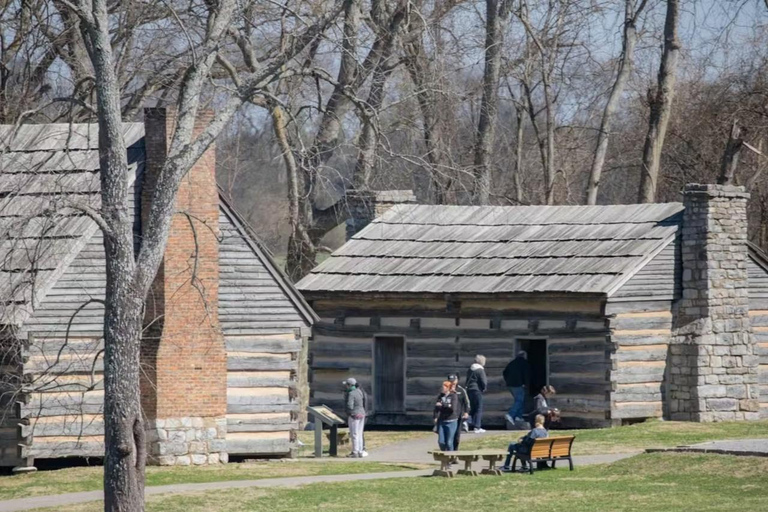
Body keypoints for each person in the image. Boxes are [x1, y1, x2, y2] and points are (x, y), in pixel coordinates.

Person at [343, 378, 368, 458]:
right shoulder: (359, 391)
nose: (346, 386)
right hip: (362, 413)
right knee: (360, 434)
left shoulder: (351, 393)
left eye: (347, 385)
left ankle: (355, 451)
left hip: (354, 415)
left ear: (350, 385)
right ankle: (360, 451)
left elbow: (350, 405)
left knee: (354, 434)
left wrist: (349, 413)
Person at [503, 350, 529, 423]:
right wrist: (525, 383)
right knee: (519, 400)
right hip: (518, 384)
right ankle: (510, 414)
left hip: (510, 385)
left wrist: (507, 380)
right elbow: (526, 374)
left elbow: (504, 372)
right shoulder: (524, 363)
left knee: (520, 400)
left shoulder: (512, 363)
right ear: (524, 356)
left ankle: (519, 417)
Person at [433, 381, 460, 452]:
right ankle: (444, 456)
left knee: (449, 442)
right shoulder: (440, 396)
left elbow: (452, 409)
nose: (442, 388)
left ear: (448, 388)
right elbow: (436, 407)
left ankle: (451, 457)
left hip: (452, 421)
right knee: (441, 441)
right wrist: (435, 416)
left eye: (444, 386)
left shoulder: (453, 396)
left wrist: (442, 405)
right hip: (442, 421)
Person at [465, 355, 488, 433]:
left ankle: (466, 421)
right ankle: (477, 427)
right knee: (478, 408)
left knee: (472, 407)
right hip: (477, 390)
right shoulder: (480, 370)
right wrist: (484, 388)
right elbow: (483, 381)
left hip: (469, 390)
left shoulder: (470, 369)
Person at [447, 374, 469, 449]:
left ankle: (455, 452)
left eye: (454, 381)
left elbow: (466, 402)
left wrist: (466, 412)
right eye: (450, 381)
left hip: (458, 416)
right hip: (447, 416)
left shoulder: (461, 390)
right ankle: (448, 452)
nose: (452, 383)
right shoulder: (445, 390)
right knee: (449, 436)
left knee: (456, 436)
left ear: (457, 381)